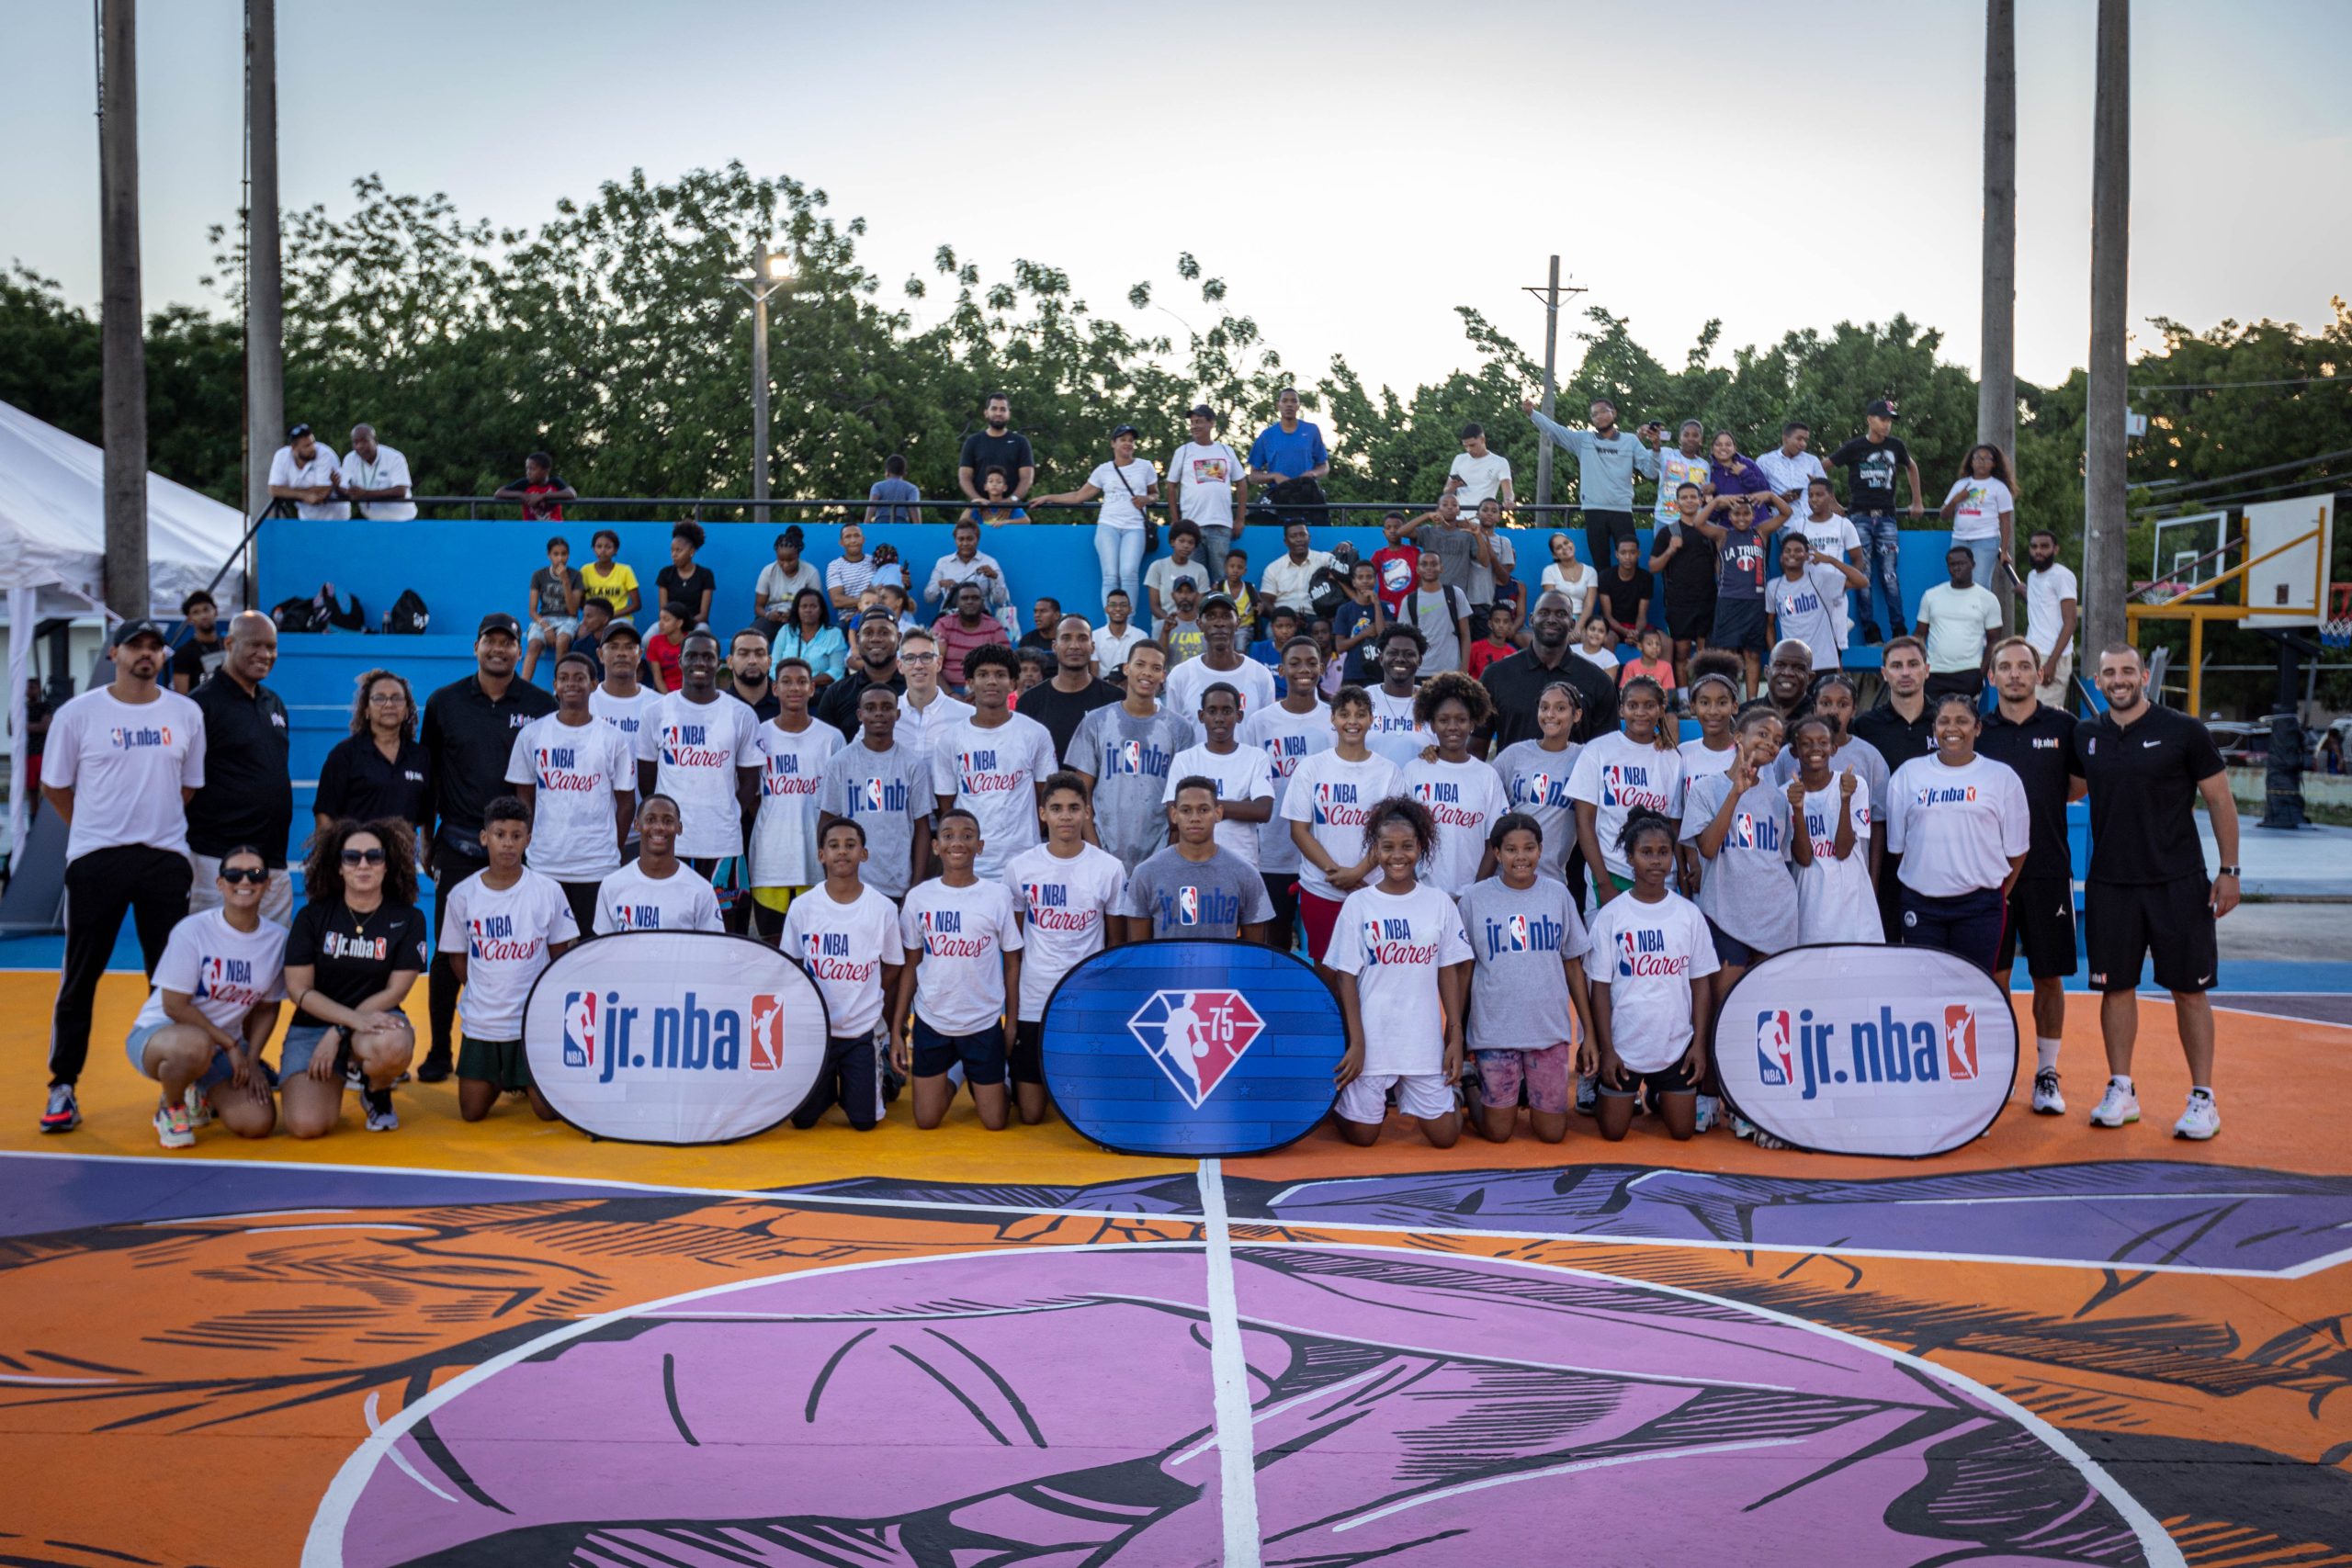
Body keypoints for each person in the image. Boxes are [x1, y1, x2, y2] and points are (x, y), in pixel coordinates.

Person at [2075, 643, 2240, 1140]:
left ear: (2144, 676)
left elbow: (2220, 799)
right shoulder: (2086, 736)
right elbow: (2063, 790)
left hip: (2178, 882)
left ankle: (2203, 1097)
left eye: (2128, 670)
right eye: (2109, 673)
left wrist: (2230, 870)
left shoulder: (2184, 731)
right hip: (2111, 884)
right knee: (2115, 988)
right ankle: (2121, 1089)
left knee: (2189, 990)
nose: (2119, 680)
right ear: (2098, 681)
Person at [414, 614, 558, 1084]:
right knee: (448, 951)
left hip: (520, 846)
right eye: (490, 641)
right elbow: (430, 775)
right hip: (458, 840)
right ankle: (440, 1049)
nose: (498, 649)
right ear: (475, 646)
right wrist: (426, 836)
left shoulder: (541, 704)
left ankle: (526, 1050)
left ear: (520, 649)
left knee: (523, 948)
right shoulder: (444, 702)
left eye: (507, 642)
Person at [1977, 637, 2086, 1113]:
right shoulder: (1978, 730)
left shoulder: (2064, 726)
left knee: (2048, 975)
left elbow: (2076, 788)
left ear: (2040, 674)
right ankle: (2001, 1071)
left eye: (2024, 666)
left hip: (2047, 871)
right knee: (1994, 976)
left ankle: (2046, 1073)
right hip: (1989, 875)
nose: (2015, 674)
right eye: (2005, 667)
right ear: (1992, 676)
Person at [1327, 795, 1470, 1148]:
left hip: (1421, 1040)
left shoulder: (1438, 903)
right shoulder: (1359, 904)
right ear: (1375, 850)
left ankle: (1462, 1089)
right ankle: (1337, 1103)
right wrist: (1357, 1042)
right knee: (1363, 1138)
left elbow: (1449, 970)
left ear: (1420, 846)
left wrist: (1454, 1036)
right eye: (1387, 847)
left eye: (1407, 846)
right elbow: (1346, 977)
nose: (1397, 855)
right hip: (1372, 1039)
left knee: (1446, 1137)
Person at [123, 848, 287, 1147]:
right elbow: (174, 1006)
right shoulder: (193, 930)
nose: (245, 881)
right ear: (220, 883)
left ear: (267, 883)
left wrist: (251, 1060)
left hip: (221, 1047)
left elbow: (267, 1008)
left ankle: (199, 1090)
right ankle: (171, 1107)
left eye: (255, 874)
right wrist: (230, 1045)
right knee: (195, 1046)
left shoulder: (277, 939)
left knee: (257, 1122)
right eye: (234, 874)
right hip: (163, 1036)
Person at [279, 819, 425, 1137]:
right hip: (313, 1027)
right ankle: (342, 1070)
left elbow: (396, 991)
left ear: (387, 865)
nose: (363, 865)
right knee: (306, 1125)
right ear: (339, 866)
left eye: (374, 856)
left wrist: (340, 1030)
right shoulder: (312, 917)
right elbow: (299, 990)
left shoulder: (408, 918)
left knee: (393, 1045)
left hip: (374, 1021)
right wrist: (342, 1024)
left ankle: (376, 1090)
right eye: (352, 857)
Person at [1681, 709, 1798, 1101]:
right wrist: (1736, 792)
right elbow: (1708, 848)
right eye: (1762, 734)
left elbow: (1781, 859)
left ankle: (1752, 1099)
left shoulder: (1778, 799)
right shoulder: (1707, 789)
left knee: (1764, 1012)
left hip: (1776, 915)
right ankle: (1711, 1094)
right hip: (1726, 915)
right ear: (1738, 737)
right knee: (1723, 1009)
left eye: (1777, 740)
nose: (1770, 744)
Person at [438, 796, 578, 1122]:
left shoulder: (548, 891)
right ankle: (503, 1076)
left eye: (516, 836)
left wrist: (541, 1004)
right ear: (484, 837)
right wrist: (483, 992)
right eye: (499, 835)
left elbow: (559, 955)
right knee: (471, 1113)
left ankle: (524, 1074)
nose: (508, 843)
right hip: (483, 1023)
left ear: (528, 840)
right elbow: (458, 959)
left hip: (531, 1021)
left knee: (546, 1113)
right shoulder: (462, 895)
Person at [1459, 813, 1594, 1145]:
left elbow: (1573, 965)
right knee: (1498, 1133)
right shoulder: (1475, 899)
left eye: (1529, 848)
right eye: (1511, 849)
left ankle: (1525, 1089)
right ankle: (1470, 1083)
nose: (1521, 857)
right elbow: (1464, 969)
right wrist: (1456, 1034)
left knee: (1552, 1134)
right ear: (1496, 853)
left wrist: (1589, 1032)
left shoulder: (1558, 894)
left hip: (1547, 1031)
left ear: (1541, 850)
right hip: (1495, 1032)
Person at [1586, 810, 1718, 1142]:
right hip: (1624, 1048)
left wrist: (1698, 1045)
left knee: (1683, 1132)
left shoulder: (1689, 914)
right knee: (1613, 1132)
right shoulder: (1611, 916)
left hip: (1675, 1046)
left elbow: (1701, 984)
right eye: (1646, 852)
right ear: (1630, 858)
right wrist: (1607, 1050)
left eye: (1663, 852)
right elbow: (1599, 988)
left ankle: (1659, 1092)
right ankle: (1609, 1088)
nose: (1656, 861)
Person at [1004, 773, 1126, 1123]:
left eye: (1074, 808)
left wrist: (1105, 1003)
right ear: (1042, 813)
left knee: (1082, 1107)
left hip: (1084, 998)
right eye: (1056, 808)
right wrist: (1011, 1015)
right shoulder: (1020, 868)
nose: (1066, 816)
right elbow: (1013, 947)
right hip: (1034, 997)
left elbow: (1116, 943)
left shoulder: (1109, 868)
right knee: (1031, 1114)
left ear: (1087, 812)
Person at [891, 807, 1023, 1131]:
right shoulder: (919, 898)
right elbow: (911, 965)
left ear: (980, 846)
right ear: (936, 846)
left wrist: (1011, 1023)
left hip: (982, 1020)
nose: (958, 842)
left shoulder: (997, 896)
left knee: (995, 1121)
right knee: (926, 1120)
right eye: (948, 835)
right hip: (933, 1018)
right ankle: (958, 1071)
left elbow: (1012, 962)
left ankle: (982, 1074)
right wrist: (897, 1028)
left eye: (967, 836)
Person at [1884, 693, 2030, 974]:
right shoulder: (1907, 775)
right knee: (1926, 987)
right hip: (1922, 905)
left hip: (1979, 907)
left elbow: (2017, 850)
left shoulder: (2002, 777)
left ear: (1978, 727)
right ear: (1934, 728)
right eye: (1944, 721)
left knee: (1973, 988)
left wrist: (1996, 891)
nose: (1952, 728)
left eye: (1962, 720)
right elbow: (1900, 848)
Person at [784, 819, 901, 1133]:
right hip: (817, 1029)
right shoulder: (802, 907)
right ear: (821, 855)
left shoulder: (883, 908)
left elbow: (894, 965)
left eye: (851, 845)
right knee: (802, 1120)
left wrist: (869, 992)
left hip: (860, 1030)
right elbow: (792, 963)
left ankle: (883, 1077)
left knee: (864, 1122)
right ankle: (829, 1090)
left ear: (864, 853)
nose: (842, 852)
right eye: (834, 845)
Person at [507, 651, 635, 935]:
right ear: (555, 685)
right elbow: (524, 796)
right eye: (564, 678)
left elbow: (626, 802)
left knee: (594, 948)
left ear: (593, 684)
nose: (571, 684)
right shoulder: (532, 734)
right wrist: (530, 840)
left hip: (597, 866)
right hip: (545, 863)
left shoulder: (612, 737)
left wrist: (613, 848)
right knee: (545, 946)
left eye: (579, 678)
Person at [1281, 685, 1404, 968]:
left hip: (1372, 888)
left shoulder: (1388, 772)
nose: (1352, 721)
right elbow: (1298, 830)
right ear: (1333, 719)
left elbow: (1393, 834)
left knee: (1372, 970)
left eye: (1360, 714)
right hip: (1322, 888)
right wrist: (1337, 873)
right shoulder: (1311, 768)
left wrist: (1358, 873)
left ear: (1371, 720)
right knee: (1326, 970)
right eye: (1344, 714)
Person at [185, 612, 293, 923]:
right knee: (213, 948)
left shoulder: (274, 703)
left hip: (272, 860)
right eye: (255, 645)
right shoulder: (199, 706)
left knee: (273, 949)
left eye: (271, 647)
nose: (265, 654)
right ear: (229, 644)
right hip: (216, 861)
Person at [635, 629, 761, 879]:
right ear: (680, 660)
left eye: (708, 657)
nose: (700, 663)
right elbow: (647, 781)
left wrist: (727, 812)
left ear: (719, 662)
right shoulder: (655, 712)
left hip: (722, 841)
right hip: (671, 842)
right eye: (692, 656)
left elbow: (750, 781)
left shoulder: (741, 714)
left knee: (723, 906)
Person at [932, 644, 1057, 882]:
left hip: (1025, 860)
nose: (991, 681)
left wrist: (1024, 835)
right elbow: (946, 805)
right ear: (970, 682)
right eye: (983, 675)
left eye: (1000, 675)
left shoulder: (1035, 734)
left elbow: (1045, 795)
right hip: (972, 864)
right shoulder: (951, 739)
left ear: (1012, 683)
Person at [1068, 639, 1195, 874]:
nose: (1147, 673)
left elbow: (1184, 799)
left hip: (1159, 853)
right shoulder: (1096, 721)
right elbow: (1082, 793)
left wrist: (1170, 851)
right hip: (1103, 851)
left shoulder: (1179, 728)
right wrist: (1094, 852)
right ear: (1127, 668)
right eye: (1140, 664)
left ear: (1163, 676)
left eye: (1156, 668)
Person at [1238, 639, 1335, 950]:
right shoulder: (1261, 721)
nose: (1304, 669)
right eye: (1295, 663)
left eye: (1311, 662)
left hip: (1324, 851)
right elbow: (1249, 784)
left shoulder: (1334, 719)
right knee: (1275, 940)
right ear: (1281, 671)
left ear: (1322, 668)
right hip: (1274, 850)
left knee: (1323, 944)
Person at [737, 659, 838, 934]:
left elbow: (837, 803)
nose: (794, 688)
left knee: (814, 944)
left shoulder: (831, 738)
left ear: (812, 689)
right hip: (771, 860)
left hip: (816, 861)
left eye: (802, 682)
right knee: (772, 943)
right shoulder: (759, 734)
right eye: (787, 682)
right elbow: (751, 793)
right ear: (775, 689)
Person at [1570, 674, 1685, 909]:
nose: (1640, 712)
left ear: (1661, 710)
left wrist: (1680, 876)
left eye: (1649, 705)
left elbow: (1674, 827)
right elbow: (1584, 822)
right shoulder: (1598, 750)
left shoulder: (1672, 759)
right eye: (1633, 705)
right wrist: (1603, 882)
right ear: (1621, 710)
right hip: (1610, 873)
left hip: (1658, 877)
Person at [1849, 637, 1934, 941]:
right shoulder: (1865, 727)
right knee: (1883, 945)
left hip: (1933, 853)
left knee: (1930, 951)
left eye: (1913, 664)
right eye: (1897, 666)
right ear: (1884, 673)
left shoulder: (1945, 722)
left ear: (1927, 670)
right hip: (1881, 854)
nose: (1905, 672)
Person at [817, 682, 933, 903]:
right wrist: (830, 876)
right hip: (851, 882)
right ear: (860, 715)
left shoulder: (913, 765)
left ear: (898, 714)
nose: (879, 713)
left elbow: (922, 827)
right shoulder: (840, 762)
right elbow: (827, 820)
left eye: (886, 707)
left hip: (897, 882)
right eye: (870, 708)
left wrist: (916, 885)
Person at [1125, 774, 1275, 942]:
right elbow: (1139, 951)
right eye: (1186, 810)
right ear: (1174, 814)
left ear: (1218, 813)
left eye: (1203, 810)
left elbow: (1254, 952)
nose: (1195, 818)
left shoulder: (1246, 874)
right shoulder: (1145, 874)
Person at [1521, 397, 1659, 570]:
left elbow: (1651, 472)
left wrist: (1656, 448)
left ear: (1614, 413)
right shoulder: (1583, 440)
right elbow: (1555, 431)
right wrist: (1532, 414)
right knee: (1601, 566)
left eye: (1603, 412)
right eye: (1594, 414)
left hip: (1622, 511)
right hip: (1594, 511)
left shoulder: (1630, 440)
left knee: (1630, 564)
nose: (1599, 416)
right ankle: (1604, 590)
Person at [1035, 424, 1161, 615]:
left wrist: (1146, 499)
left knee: (1129, 573)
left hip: (1135, 526)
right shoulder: (1104, 470)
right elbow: (1079, 496)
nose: (1128, 443)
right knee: (1110, 575)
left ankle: (1128, 621)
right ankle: (1111, 621)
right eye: (1123, 440)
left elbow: (1155, 494)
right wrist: (1048, 497)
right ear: (1113, 443)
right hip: (1108, 525)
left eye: (1131, 440)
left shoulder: (1145, 466)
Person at [1827, 400, 1925, 642]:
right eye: (1883, 419)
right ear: (1870, 419)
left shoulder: (1896, 445)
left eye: (1890, 420)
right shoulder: (1854, 447)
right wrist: (1832, 501)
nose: (1887, 424)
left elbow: (1911, 467)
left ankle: (1899, 629)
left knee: (1890, 575)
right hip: (1859, 517)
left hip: (1887, 517)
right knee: (1864, 575)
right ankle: (1871, 632)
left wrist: (1917, 501)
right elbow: (1822, 467)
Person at [1403, 673, 1508, 897]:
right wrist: (1415, 888)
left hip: (1471, 896)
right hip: (1421, 894)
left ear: (1473, 723)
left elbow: (1494, 841)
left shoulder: (1487, 776)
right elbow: (1400, 834)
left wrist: (1474, 893)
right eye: (1443, 720)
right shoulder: (1414, 771)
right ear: (1432, 724)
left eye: (1461, 719)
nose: (1452, 727)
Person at [1484, 589, 1620, 750]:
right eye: (1544, 613)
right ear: (1531, 620)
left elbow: (1609, 751)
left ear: (1572, 624)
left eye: (1561, 614)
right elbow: (1477, 745)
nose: (1552, 619)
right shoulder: (1496, 675)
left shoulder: (1598, 681)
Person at [1788, 714, 1880, 945]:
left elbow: (1842, 850)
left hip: (1852, 904)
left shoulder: (1855, 785)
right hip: (1810, 906)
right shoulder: (1786, 794)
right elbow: (1804, 858)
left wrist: (1845, 799)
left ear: (1834, 748)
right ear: (1794, 751)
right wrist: (1797, 808)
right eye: (1806, 743)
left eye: (1823, 742)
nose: (1815, 748)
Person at [1164, 684, 1277, 871]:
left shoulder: (1256, 757)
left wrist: (1197, 807)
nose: (1219, 718)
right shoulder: (1185, 759)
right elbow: (1173, 816)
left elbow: (1263, 811)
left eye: (1227, 711)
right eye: (1212, 711)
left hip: (1242, 863)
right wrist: (1242, 805)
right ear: (1201, 716)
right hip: (1192, 862)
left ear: (1239, 716)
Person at [316, 669, 431, 849]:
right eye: (379, 698)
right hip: (358, 859)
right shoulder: (345, 754)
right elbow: (325, 814)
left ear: (407, 710)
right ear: (366, 710)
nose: (389, 704)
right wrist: (332, 856)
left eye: (397, 698)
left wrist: (426, 849)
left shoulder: (421, 757)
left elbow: (426, 814)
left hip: (402, 861)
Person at [1691, 490, 1790, 695]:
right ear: (1729, 516)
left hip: (1755, 601)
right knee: (1727, 655)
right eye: (1736, 514)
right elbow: (1698, 523)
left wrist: (1770, 496)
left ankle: (1752, 701)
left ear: (1753, 515)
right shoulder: (1723, 534)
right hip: (1729, 601)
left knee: (1752, 654)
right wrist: (1718, 500)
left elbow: (1786, 513)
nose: (1742, 518)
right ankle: (1729, 698)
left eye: (1746, 513)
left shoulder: (1760, 532)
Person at [1493, 680, 1584, 886]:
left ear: (1577, 714)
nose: (1550, 714)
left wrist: (1657, 739)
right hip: (1503, 876)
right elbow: (1480, 787)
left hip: (1550, 880)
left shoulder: (1585, 758)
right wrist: (1438, 752)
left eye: (1560, 708)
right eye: (1544, 707)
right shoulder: (1515, 754)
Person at [591, 795, 724, 933]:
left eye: (668, 821)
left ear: (679, 828)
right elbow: (605, 944)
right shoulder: (611, 885)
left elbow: (712, 945)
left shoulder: (701, 891)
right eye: (650, 820)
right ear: (637, 824)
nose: (659, 827)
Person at [1016, 613, 1120, 761]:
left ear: (1092, 647)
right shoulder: (1029, 702)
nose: (1074, 646)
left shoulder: (1115, 699)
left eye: (1082, 638)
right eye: (1066, 638)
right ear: (1054, 646)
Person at [1647, 482, 1719, 691]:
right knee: (1682, 652)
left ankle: (1703, 694)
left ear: (1700, 500)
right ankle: (1684, 700)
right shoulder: (1667, 533)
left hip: (1707, 599)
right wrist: (1670, 550)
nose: (1689, 501)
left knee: (1705, 655)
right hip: (1679, 602)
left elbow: (1719, 565)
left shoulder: (1711, 531)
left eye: (1693, 497)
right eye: (1684, 497)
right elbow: (1653, 566)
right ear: (1677, 502)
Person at [1164, 593, 1277, 724]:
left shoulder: (1261, 675)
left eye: (1226, 616)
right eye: (1211, 616)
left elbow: (1267, 729)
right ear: (1199, 624)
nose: (1219, 623)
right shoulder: (1180, 676)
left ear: (1237, 622)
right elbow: (1174, 730)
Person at [1167, 404, 1248, 580]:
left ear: (1211, 423)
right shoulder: (1183, 451)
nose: (1194, 426)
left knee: (1221, 577)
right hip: (1191, 526)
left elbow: (1241, 483)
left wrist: (1240, 519)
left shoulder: (1226, 450)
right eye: (1192, 422)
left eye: (1199, 421)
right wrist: (1175, 519)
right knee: (1193, 578)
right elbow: (1171, 485)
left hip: (1221, 524)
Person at [1769, 532, 1867, 676]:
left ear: (1807, 556)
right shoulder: (1774, 587)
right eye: (1787, 551)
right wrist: (1775, 656)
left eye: (1798, 550)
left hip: (1824, 661)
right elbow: (1769, 623)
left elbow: (1862, 582)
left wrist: (1831, 561)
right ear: (1781, 557)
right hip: (1794, 664)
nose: (1792, 554)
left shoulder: (1820, 580)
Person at [1917, 545, 2003, 702]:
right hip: (1934, 672)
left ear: (1973, 565)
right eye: (1952, 564)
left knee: (1966, 716)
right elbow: (1920, 635)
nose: (1957, 568)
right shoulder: (1931, 596)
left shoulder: (1988, 599)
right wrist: (1920, 667)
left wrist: (1981, 674)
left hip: (1969, 672)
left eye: (1962, 563)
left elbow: (1994, 641)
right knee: (1933, 716)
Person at [1793, 476, 1869, 649]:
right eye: (1811, 495)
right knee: (1807, 647)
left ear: (1830, 497)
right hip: (1807, 595)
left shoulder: (1844, 525)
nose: (1814, 499)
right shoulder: (1799, 525)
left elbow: (1858, 560)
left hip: (1835, 595)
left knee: (1835, 649)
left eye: (1819, 495)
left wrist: (1845, 585)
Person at [1246, 387, 1333, 535]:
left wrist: (1312, 474)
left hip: (1308, 497)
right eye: (1285, 401)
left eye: (1293, 401)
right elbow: (1253, 476)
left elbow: (1324, 466)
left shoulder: (1311, 430)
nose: (1289, 405)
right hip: (1279, 499)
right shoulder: (1267, 435)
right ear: (1278, 405)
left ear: (1298, 406)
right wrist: (1274, 476)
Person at [813, 611, 906, 738]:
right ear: (857, 640)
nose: (875, 638)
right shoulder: (836, 694)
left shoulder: (915, 690)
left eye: (884, 632)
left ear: (899, 638)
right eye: (868, 633)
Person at [1939, 444, 2019, 591]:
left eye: (1987, 459)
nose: (1982, 462)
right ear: (1971, 462)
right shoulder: (1960, 485)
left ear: (1994, 463)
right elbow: (1944, 515)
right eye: (1978, 458)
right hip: (1959, 539)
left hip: (1986, 539)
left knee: (1979, 583)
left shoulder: (1999, 487)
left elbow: (2005, 521)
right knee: (1958, 580)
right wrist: (1956, 499)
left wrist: (2004, 550)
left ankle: (1980, 606)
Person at [891, 627, 974, 758]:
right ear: (900, 665)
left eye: (926, 657)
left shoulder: (967, 716)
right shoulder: (885, 716)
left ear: (939, 663)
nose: (918, 665)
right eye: (910, 658)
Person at [2020, 529, 2080, 707]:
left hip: (2053, 656)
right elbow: (2041, 602)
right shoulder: (2032, 576)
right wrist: (2023, 591)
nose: (2038, 551)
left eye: (2044, 546)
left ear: (2056, 549)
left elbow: (2071, 622)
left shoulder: (2062, 576)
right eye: (2034, 547)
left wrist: (2052, 663)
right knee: (2026, 710)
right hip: (2031, 653)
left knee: (2045, 713)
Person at [1398, 549, 1475, 677]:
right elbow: (1405, 639)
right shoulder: (1409, 601)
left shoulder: (1455, 594)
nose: (1429, 568)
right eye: (1424, 564)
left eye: (1434, 564)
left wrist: (1464, 669)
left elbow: (1465, 634)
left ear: (1441, 568)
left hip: (1451, 670)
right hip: (1419, 671)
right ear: (1418, 570)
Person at [1363, 625, 1430, 766]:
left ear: (1419, 661)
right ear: (1381, 659)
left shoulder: (1433, 702)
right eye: (1393, 653)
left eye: (1409, 654)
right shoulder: (1363, 700)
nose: (1400, 659)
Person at [932, 581, 1012, 695]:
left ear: (982, 602)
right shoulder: (944, 625)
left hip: (985, 691)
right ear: (957, 603)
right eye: (965, 598)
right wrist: (950, 694)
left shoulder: (994, 627)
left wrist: (979, 695)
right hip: (947, 690)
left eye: (975, 598)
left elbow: (1006, 664)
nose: (970, 601)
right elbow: (932, 665)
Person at [520, 536, 583, 682]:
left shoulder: (576, 576)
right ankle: (523, 685)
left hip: (568, 619)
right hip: (544, 619)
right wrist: (546, 627)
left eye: (564, 554)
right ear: (549, 555)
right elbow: (532, 611)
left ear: (568, 555)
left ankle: (559, 685)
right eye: (556, 554)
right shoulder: (539, 575)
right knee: (534, 644)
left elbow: (573, 611)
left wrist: (565, 580)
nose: (560, 558)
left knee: (562, 641)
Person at [956, 391, 1035, 506]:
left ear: (1009, 414)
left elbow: (1027, 479)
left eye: (1003, 409)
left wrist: (1011, 501)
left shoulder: (1021, 442)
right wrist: (978, 500)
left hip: (1012, 510)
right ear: (986, 412)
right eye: (994, 409)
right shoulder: (973, 441)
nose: (998, 413)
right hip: (979, 509)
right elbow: (964, 478)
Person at [1753, 421, 1828, 531]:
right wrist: (1780, 499)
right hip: (1784, 523)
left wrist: (1818, 484)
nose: (1803, 444)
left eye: (1806, 440)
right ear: (1785, 438)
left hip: (1813, 520)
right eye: (1799, 439)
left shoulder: (1812, 461)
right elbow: (1757, 494)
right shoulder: (1765, 461)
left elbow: (1826, 491)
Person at [923, 517, 1012, 612]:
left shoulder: (990, 562)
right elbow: (929, 599)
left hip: (980, 616)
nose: (965, 543)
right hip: (950, 616)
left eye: (970, 539)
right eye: (961, 539)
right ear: (955, 540)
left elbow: (1000, 601)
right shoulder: (943, 562)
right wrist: (939, 584)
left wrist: (995, 578)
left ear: (977, 539)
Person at [1648, 419, 1713, 540]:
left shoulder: (1704, 465)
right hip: (1665, 519)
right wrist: (1656, 446)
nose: (1690, 438)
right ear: (1680, 438)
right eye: (1686, 435)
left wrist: (1709, 492)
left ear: (1701, 440)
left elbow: (1705, 494)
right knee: (1664, 552)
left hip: (1694, 522)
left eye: (1695, 435)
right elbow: (1651, 473)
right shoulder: (1666, 454)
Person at [267, 423, 347, 519]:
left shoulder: (325, 454)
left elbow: (323, 491)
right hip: (305, 517)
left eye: (313, 442)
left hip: (335, 517)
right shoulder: (281, 456)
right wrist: (304, 495)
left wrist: (288, 490)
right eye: (307, 446)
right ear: (293, 447)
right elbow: (274, 489)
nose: (312, 448)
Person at [753, 526, 824, 634]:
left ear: (798, 555)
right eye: (781, 560)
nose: (785, 564)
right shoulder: (768, 571)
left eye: (790, 560)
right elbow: (758, 607)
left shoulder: (811, 572)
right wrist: (768, 615)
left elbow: (816, 605)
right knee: (754, 633)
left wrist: (795, 614)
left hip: (802, 619)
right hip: (773, 619)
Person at [337, 423, 415, 520]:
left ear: (375, 440)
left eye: (364, 441)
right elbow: (344, 487)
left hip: (402, 521)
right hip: (372, 521)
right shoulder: (350, 459)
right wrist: (341, 489)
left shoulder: (395, 457)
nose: (359, 446)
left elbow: (400, 491)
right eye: (355, 442)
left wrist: (365, 494)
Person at [774, 589, 848, 690]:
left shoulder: (834, 634)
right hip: (786, 690)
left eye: (813, 606)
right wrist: (786, 683)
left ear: (821, 610)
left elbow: (837, 671)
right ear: (797, 610)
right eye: (804, 606)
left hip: (819, 692)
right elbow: (774, 665)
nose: (808, 610)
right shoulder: (786, 631)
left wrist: (806, 683)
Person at [1144, 522, 1211, 631]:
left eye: (1191, 542)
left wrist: (1186, 625)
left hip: (1191, 628)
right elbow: (1154, 606)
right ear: (1172, 542)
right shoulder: (1157, 567)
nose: (1186, 546)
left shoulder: (1200, 570)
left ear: (1194, 546)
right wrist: (1169, 621)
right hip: (1163, 625)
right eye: (1181, 541)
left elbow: (1198, 607)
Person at [1260, 521, 1333, 618]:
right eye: (1293, 536)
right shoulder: (1273, 568)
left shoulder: (1324, 559)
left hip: (1318, 618)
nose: (1299, 539)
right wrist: (1285, 617)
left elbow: (1346, 565)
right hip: (1285, 620)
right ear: (1286, 541)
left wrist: (1346, 544)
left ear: (1309, 538)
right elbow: (1266, 601)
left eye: (1303, 535)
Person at [1679, 668, 1740, 785]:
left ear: (1734, 706)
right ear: (1693, 707)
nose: (1713, 711)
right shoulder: (1683, 753)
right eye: (1704, 703)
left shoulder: (1747, 754)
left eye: (1722, 703)